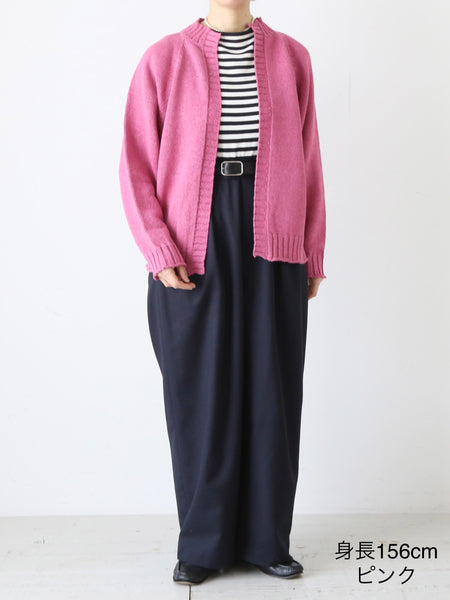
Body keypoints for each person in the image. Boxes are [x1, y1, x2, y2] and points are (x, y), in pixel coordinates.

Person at [118, 0, 327, 586]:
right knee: (200, 392)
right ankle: (202, 545)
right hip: (193, 238)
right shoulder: (164, 59)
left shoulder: (291, 58)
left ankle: (267, 541)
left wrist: (311, 248)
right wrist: (159, 248)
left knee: (272, 390)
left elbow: (309, 158)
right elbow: (136, 163)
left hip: (273, 232)